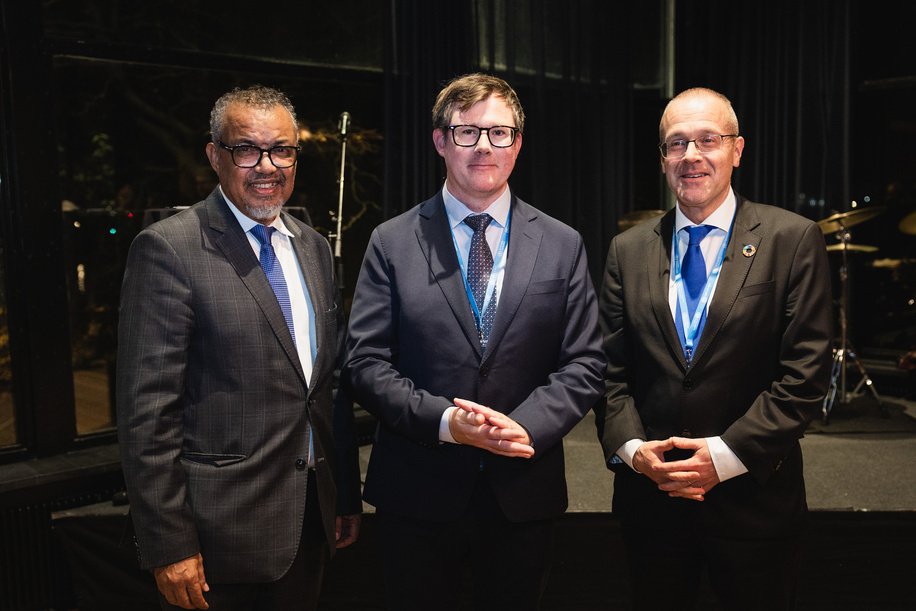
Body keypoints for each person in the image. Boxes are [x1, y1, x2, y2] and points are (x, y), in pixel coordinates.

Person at [342, 73, 605, 609]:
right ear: (440, 141)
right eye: (468, 132)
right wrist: (446, 423)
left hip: (522, 493)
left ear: (518, 144)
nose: (485, 145)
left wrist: (522, 427)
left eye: (500, 133)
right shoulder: (391, 241)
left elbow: (585, 362)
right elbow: (364, 362)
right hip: (417, 493)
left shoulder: (562, 243)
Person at [117, 85, 361, 611]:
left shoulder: (314, 249)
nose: (266, 166)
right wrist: (169, 545)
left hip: (307, 529)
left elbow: (325, 389)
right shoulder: (169, 249)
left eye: (282, 150)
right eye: (247, 149)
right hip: (214, 545)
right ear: (214, 155)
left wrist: (342, 496)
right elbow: (146, 415)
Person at [595, 87, 832, 609]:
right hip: (651, 506)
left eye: (708, 140)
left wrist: (722, 458)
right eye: (676, 144)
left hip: (754, 504)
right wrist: (635, 454)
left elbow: (805, 375)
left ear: (738, 149)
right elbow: (608, 374)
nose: (692, 156)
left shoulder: (792, 240)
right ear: (662, 161)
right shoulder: (626, 250)